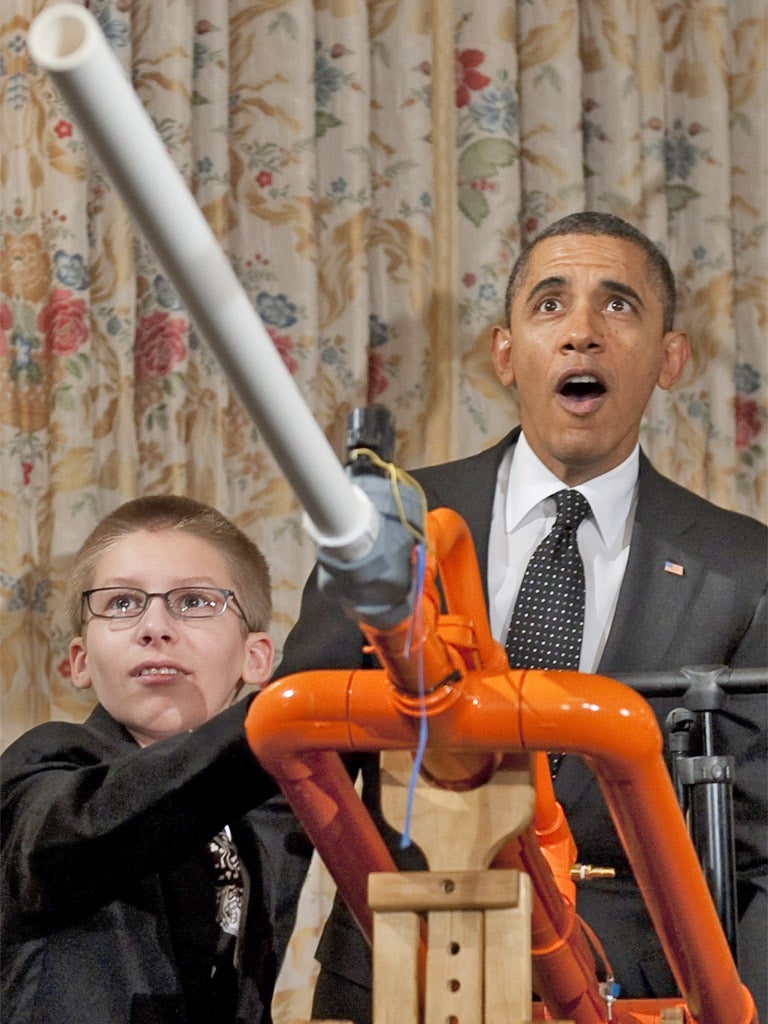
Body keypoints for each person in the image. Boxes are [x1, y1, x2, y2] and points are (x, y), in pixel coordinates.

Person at [271, 211, 768, 1022]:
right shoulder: (390, 525)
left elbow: (758, 854)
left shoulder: (747, 569)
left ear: (670, 359)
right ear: (504, 353)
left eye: (618, 305)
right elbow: (294, 781)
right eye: (549, 305)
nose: (580, 333)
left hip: (632, 994)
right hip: (400, 978)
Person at [0, 495, 285, 1024]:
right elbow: (77, 837)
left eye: (196, 602)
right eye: (123, 603)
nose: (155, 626)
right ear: (80, 660)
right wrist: (279, 714)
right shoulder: (48, 765)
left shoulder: (264, 815)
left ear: (256, 656)